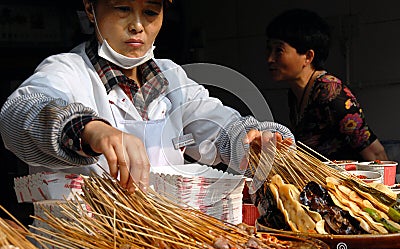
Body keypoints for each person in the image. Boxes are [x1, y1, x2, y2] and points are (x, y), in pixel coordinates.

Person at [0, 0, 293, 195]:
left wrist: (251, 139)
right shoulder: (67, 70)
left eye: (151, 12)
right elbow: (17, 114)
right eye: (122, 8)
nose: (137, 25)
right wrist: (88, 129)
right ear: (91, 9)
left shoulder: (170, 76)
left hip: (162, 243)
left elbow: (218, 128)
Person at [265, 8, 388, 162]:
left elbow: (376, 154)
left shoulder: (330, 91)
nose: (270, 58)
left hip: (349, 182)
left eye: (279, 50)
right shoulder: (296, 94)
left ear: (308, 57)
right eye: (269, 49)